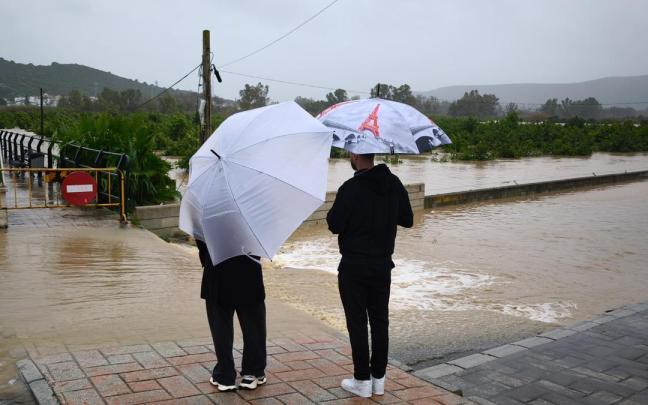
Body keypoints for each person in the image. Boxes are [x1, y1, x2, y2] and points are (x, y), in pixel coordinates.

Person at [326, 153, 413, 398]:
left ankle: (362, 380)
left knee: (357, 323)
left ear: (355, 156)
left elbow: (334, 224)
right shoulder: (393, 183)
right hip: (382, 265)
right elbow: (407, 219)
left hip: (354, 265)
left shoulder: (350, 188)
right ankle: (379, 381)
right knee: (379, 321)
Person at [196, 239, 267, 391]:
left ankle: (225, 375)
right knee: (254, 326)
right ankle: (253, 373)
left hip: (216, 271)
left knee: (220, 328)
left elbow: (201, 239)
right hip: (248, 271)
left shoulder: (207, 215)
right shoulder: (252, 215)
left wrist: (206, 258)